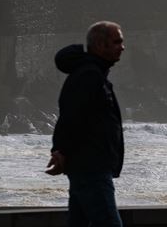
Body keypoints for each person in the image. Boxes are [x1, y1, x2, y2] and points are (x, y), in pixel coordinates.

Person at [45, 21, 126, 227]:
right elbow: (72, 115)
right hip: (91, 166)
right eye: (117, 42)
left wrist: (60, 149)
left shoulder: (93, 73)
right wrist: (60, 150)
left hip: (89, 165)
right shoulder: (89, 75)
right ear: (100, 44)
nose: (122, 47)